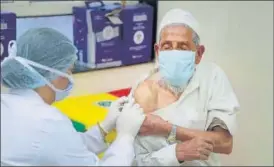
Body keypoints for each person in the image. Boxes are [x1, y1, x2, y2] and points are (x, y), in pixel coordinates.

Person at [0, 28, 146, 166]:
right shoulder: (47, 122)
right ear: (52, 73)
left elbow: (64, 148)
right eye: (69, 71)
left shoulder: (8, 105)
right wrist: (125, 137)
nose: (70, 78)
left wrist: (104, 127)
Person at [130, 9, 240, 166]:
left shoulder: (212, 77)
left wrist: (168, 129)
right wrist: (177, 153)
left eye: (182, 47)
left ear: (199, 53)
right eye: (167, 46)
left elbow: (225, 143)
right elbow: (138, 159)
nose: (174, 53)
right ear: (158, 51)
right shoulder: (145, 91)